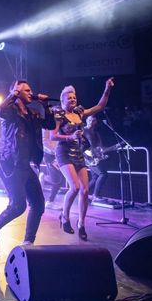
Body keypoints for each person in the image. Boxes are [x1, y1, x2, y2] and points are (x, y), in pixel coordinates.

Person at [0, 80, 55, 253]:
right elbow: (0, 110)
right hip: (10, 163)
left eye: (31, 90)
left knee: (38, 204)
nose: (31, 93)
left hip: (25, 165)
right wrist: (13, 94)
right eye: (27, 90)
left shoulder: (32, 113)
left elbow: (51, 125)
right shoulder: (10, 111)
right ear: (17, 91)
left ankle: (28, 242)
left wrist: (45, 106)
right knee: (18, 205)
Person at [50, 78, 114, 241]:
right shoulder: (59, 114)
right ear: (63, 99)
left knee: (85, 191)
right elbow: (53, 136)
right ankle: (65, 217)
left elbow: (99, 106)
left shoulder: (79, 112)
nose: (73, 99)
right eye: (69, 97)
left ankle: (81, 224)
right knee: (75, 187)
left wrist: (107, 88)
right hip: (64, 152)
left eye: (74, 97)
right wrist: (70, 137)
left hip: (78, 153)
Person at [83, 115, 109, 202]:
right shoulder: (83, 131)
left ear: (95, 122)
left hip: (95, 157)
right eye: (90, 120)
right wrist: (91, 155)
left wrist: (102, 153)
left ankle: (83, 193)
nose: (91, 122)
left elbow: (100, 146)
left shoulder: (96, 133)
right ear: (86, 121)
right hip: (88, 157)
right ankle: (96, 195)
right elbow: (81, 145)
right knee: (103, 174)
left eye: (93, 121)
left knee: (95, 177)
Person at [41, 129, 66, 210]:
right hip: (49, 155)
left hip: (58, 153)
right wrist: (55, 150)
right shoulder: (46, 127)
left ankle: (45, 177)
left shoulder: (60, 126)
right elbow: (44, 141)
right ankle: (50, 202)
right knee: (57, 180)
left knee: (59, 179)